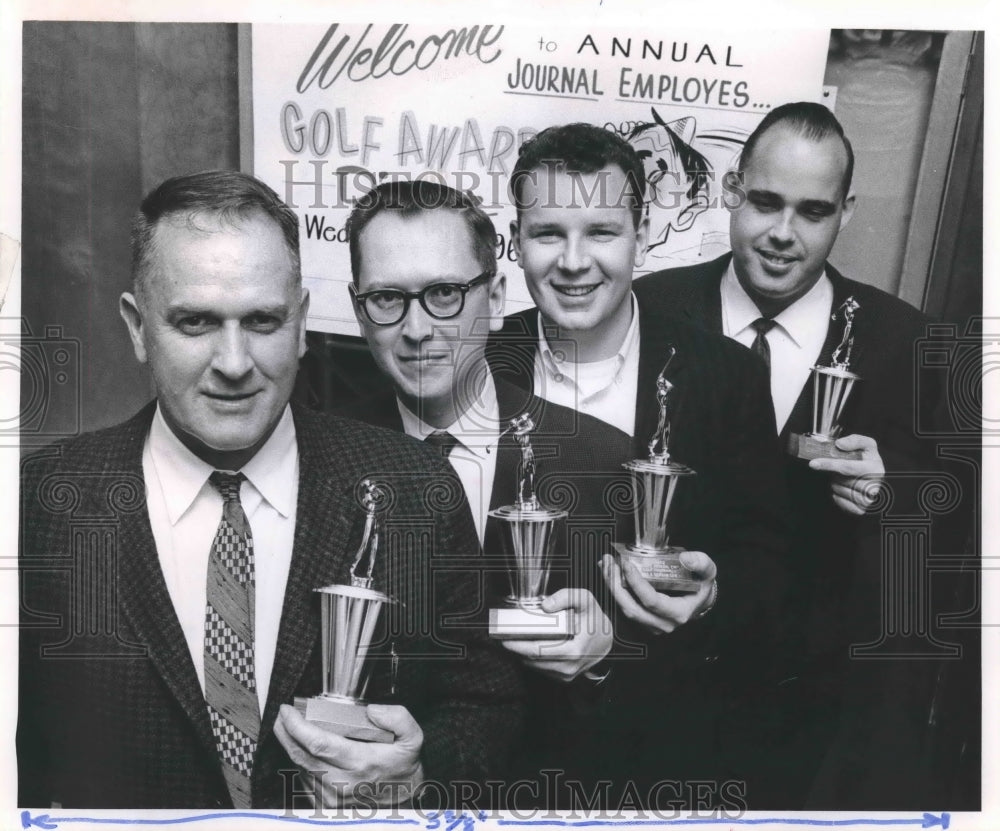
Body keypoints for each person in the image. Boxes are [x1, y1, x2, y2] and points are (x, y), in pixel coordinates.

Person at [17, 171, 522, 810]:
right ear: (138, 327)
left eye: (262, 321)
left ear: (302, 323)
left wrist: (421, 775)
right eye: (195, 322)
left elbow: (484, 703)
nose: (234, 363)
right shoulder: (38, 504)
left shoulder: (415, 489)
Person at [632, 101, 969, 807]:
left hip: (815, 728)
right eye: (764, 202)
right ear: (731, 190)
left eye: (813, 212)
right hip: (652, 695)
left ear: (846, 212)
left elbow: (963, 513)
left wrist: (896, 487)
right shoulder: (645, 310)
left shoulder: (909, 344)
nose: (783, 234)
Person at [487, 123, 791, 807]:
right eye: (547, 233)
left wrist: (713, 593)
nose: (574, 261)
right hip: (501, 758)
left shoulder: (727, 377)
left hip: (658, 759)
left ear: (642, 234)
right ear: (515, 240)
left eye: (601, 231)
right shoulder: (477, 363)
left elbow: (769, 558)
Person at [339, 180, 633, 799]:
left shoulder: (600, 462)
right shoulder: (323, 459)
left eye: (445, 294)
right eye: (387, 298)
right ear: (358, 309)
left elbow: (662, 703)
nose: (417, 328)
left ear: (496, 298)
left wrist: (605, 658)